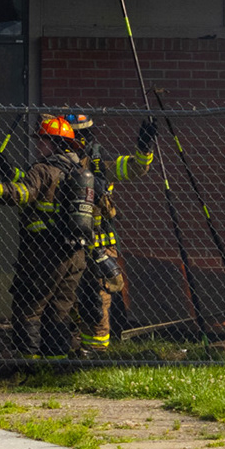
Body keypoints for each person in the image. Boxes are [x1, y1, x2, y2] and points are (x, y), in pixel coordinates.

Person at [0, 114, 94, 360]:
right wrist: (8, 171)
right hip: (75, 253)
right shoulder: (79, 172)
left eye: (42, 140)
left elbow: (23, 193)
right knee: (60, 309)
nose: (38, 145)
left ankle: (28, 364)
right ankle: (55, 363)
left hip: (44, 254)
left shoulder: (43, 169)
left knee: (29, 307)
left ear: (55, 143)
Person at [65, 111, 157, 352]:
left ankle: (97, 352)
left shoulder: (100, 162)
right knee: (70, 296)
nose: (79, 141)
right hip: (69, 242)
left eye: (83, 135)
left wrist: (144, 147)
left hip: (100, 244)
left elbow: (137, 168)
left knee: (97, 298)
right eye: (74, 136)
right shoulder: (60, 162)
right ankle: (74, 347)